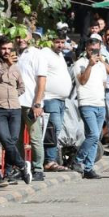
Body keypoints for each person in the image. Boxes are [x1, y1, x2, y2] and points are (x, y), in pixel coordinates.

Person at [0, 36, 31, 185]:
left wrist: (14, 95)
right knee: (5, 140)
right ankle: (22, 165)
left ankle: (10, 172)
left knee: (12, 141)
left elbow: (21, 87)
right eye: (4, 48)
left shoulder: (15, 67)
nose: (6, 52)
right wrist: (5, 65)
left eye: (9, 49)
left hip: (15, 109)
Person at [72, 34, 109, 179]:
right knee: (93, 135)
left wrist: (102, 60)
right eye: (91, 50)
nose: (94, 53)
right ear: (86, 50)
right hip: (86, 103)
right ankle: (77, 160)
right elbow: (82, 81)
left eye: (96, 50)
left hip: (99, 104)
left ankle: (89, 168)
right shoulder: (80, 63)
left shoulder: (102, 64)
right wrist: (90, 64)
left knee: (96, 138)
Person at [16, 29, 48, 181]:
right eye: (17, 37)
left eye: (23, 37)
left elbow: (42, 81)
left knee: (35, 137)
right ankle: (22, 168)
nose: (20, 39)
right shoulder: (16, 55)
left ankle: (38, 169)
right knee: (17, 139)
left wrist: (37, 103)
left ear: (30, 38)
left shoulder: (37, 54)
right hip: (15, 102)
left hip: (30, 103)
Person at [41, 35, 72, 172]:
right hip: (50, 98)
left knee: (55, 130)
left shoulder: (59, 55)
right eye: (57, 42)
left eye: (62, 42)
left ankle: (50, 159)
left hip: (60, 100)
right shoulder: (45, 53)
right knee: (53, 130)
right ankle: (49, 160)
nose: (60, 45)